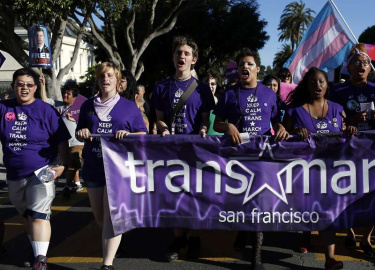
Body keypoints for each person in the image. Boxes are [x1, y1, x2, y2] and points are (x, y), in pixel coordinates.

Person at [213, 48, 289, 270]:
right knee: (242, 200)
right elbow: (216, 123)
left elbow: (276, 120)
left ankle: (256, 257)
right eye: (240, 65)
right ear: (237, 70)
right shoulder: (228, 94)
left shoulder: (269, 93)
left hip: (263, 157)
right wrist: (228, 126)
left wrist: (281, 127)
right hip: (237, 158)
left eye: (249, 64)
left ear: (257, 68)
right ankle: (243, 231)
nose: (244, 67)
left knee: (259, 203)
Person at [283, 67, 357, 270]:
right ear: (306, 85)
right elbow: (282, 135)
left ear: (327, 85)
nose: (318, 85)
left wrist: (350, 129)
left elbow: (344, 131)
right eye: (313, 82)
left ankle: (330, 258)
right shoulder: (295, 110)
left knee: (327, 213)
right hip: (303, 172)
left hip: (331, 172)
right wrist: (295, 131)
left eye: (322, 82)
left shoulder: (337, 108)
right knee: (307, 210)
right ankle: (305, 236)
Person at [76, 62, 147, 270]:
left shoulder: (128, 106)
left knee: (110, 216)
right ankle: (115, 243)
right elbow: (80, 129)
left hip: (118, 168)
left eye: (110, 76)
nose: (105, 79)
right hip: (93, 165)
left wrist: (128, 135)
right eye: (101, 76)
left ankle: (107, 265)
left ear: (117, 81)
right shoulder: (87, 105)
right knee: (99, 216)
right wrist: (81, 133)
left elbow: (143, 135)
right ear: (97, 80)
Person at [0, 68, 70, 270]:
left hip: (42, 170)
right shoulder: (4, 108)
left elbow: (62, 140)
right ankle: (36, 249)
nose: (24, 88)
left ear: (35, 88)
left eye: (29, 85)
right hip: (14, 174)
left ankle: (40, 259)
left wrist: (62, 165)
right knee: (27, 214)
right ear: (13, 86)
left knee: (39, 213)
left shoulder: (46, 110)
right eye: (20, 84)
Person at [153, 35, 214, 261]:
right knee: (173, 196)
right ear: (173, 57)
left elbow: (206, 119)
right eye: (179, 53)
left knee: (195, 196)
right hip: (170, 150)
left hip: (195, 151)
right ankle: (179, 238)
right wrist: (163, 129)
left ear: (194, 60)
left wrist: (204, 129)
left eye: (186, 53)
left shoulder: (203, 89)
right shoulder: (161, 87)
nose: (182, 56)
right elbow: (159, 119)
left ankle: (195, 238)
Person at [329, 43, 375, 259]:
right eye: (357, 62)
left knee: (372, 195)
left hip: (373, 151)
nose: (361, 66)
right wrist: (350, 122)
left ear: (369, 67)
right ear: (349, 67)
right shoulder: (338, 91)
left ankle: (367, 238)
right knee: (346, 194)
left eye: (365, 63)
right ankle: (350, 232)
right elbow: (332, 121)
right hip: (346, 150)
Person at [56, 82, 84, 197]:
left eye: (69, 94)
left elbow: (86, 124)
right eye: (64, 93)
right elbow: (46, 101)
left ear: (75, 97)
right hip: (64, 143)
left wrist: (74, 120)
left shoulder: (80, 108)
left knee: (74, 163)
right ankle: (77, 184)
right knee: (70, 164)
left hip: (77, 142)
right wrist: (42, 86)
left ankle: (67, 186)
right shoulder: (61, 107)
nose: (65, 95)